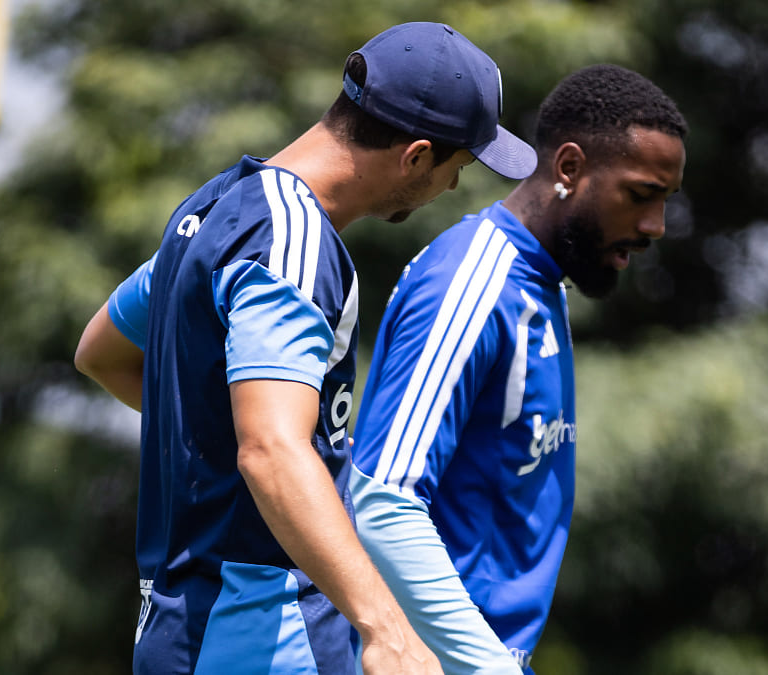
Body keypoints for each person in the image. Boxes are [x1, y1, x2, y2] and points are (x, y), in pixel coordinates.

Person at [73, 22, 536, 675]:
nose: (453, 189)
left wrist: (216, 434)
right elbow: (271, 449)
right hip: (265, 635)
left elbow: (102, 352)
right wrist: (388, 632)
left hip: (179, 631)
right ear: (416, 157)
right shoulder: (292, 242)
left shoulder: (215, 209)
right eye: (456, 169)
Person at [349, 64, 688, 674]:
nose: (655, 227)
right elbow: (384, 498)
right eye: (641, 195)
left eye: (666, 201)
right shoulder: (475, 282)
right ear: (569, 168)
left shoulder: (541, 285)